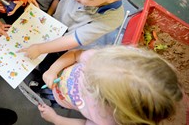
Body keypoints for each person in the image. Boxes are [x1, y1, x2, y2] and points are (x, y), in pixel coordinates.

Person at [38, 45, 183, 125]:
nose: (84, 72)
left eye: (89, 82)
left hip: (63, 99)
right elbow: (75, 55)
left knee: (47, 94)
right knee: (42, 78)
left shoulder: (108, 121)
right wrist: (53, 70)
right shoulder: (106, 61)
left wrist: (56, 119)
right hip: (56, 74)